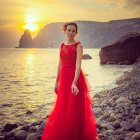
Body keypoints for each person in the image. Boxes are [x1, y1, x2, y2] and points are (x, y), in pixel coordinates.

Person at [41, 22, 98, 140]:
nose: (71, 33)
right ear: (65, 31)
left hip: (75, 79)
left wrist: (74, 82)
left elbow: (78, 65)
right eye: (69, 30)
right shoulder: (62, 45)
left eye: (73, 31)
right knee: (63, 106)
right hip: (64, 78)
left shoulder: (78, 46)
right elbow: (60, 65)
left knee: (74, 108)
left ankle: (76, 135)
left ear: (76, 33)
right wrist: (56, 82)